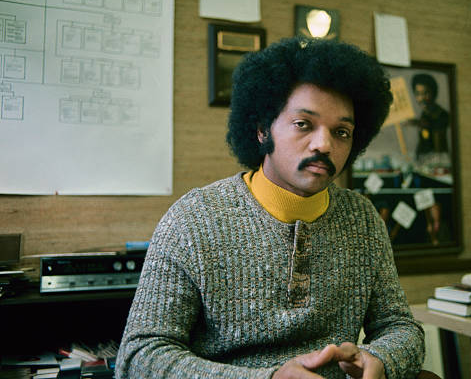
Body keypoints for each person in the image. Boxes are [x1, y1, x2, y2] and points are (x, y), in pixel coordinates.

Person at [115, 38, 425, 379]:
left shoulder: (362, 219)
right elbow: (140, 356)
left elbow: (400, 327)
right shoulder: (193, 220)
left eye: (341, 132)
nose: (324, 144)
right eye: (303, 124)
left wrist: (379, 359)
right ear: (263, 130)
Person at [411, 74, 449, 159]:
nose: (421, 98)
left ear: (434, 93)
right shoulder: (425, 114)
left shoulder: (441, 114)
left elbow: (439, 149)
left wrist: (420, 123)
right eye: (417, 94)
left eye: (425, 93)